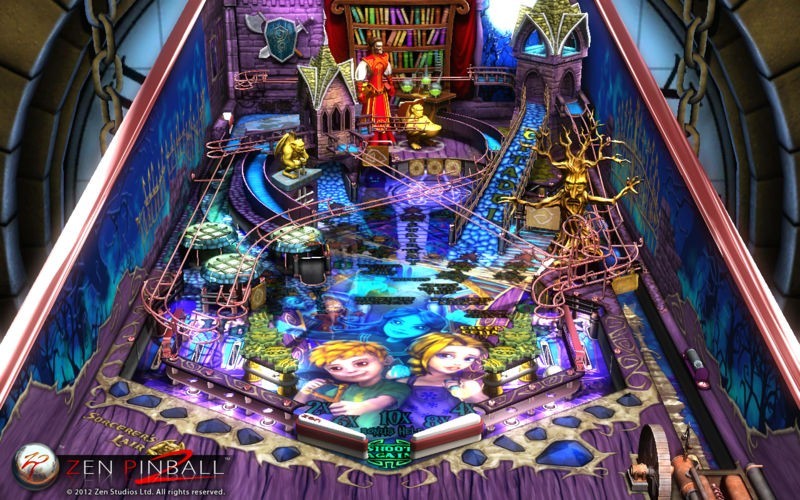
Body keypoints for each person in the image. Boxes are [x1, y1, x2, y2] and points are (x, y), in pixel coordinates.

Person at [294, 341, 410, 428]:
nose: (350, 371)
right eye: (336, 368)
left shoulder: (395, 387)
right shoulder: (344, 390)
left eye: (361, 363)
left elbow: (387, 400)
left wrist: (364, 406)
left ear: (387, 360)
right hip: (340, 435)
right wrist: (304, 392)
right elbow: (299, 408)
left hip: (376, 439)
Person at [399, 333, 488, 429]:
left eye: (468, 359)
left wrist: (470, 397)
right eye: (446, 355)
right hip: (413, 433)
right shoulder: (403, 382)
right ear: (425, 353)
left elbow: (488, 411)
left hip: (456, 432)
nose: (458, 362)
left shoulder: (467, 385)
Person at [355, 36, 396, 145]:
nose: (380, 48)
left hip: (382, 93)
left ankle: (384, 137)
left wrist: (391, 85)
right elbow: (359, 78)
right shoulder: (366, 62)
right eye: (378, 46)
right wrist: (360, 92)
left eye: (381, 46)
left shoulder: (384, 60)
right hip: (371, 93)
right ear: (372, 47)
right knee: (370, 114)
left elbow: (388, 74)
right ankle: (370, 139)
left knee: (383, 114)